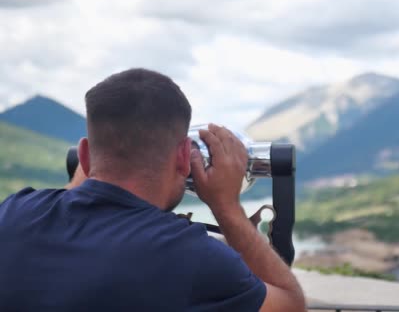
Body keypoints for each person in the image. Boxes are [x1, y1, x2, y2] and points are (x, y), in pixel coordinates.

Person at [0, 68, 305, 311]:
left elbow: (68, 198)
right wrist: (227, 207)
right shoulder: (193, 257)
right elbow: (290, 305)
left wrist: (95, 168)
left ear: (83, 155)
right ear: (184, 157)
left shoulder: (12, 215)